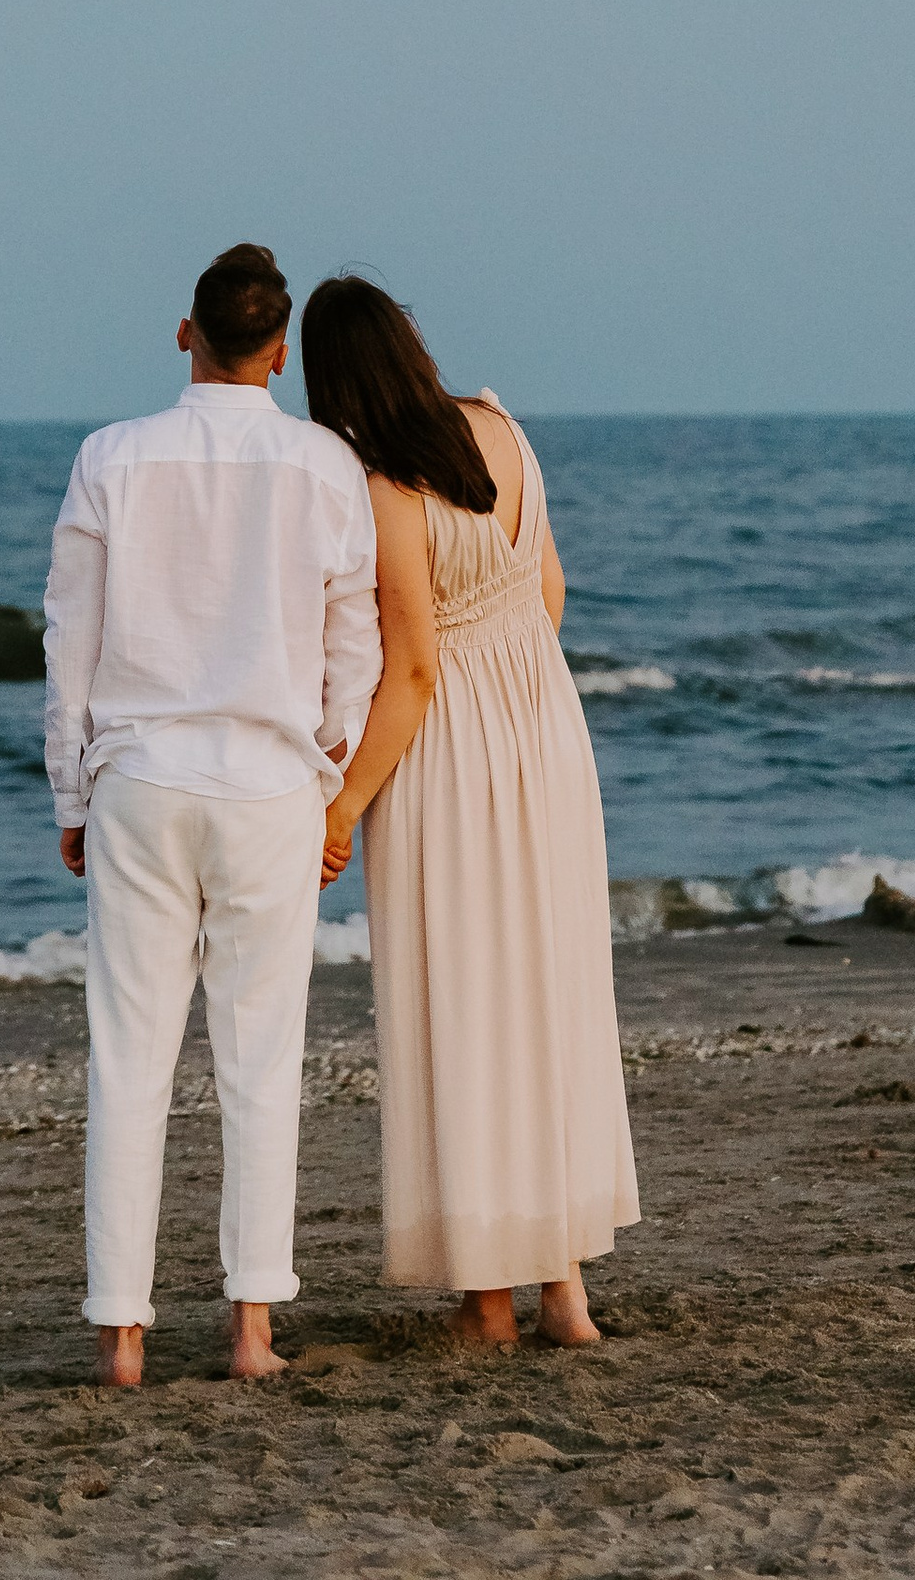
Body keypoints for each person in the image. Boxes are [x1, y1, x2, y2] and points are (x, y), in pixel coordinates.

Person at [44, 241, 380, 1386]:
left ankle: (122, 1334)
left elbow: (69, 640)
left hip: (141, 780)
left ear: (184, 333)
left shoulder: (111, 458)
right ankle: (249, 1330)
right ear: (278, 353)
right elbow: (355, 641)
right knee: (259, 1061)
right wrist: (329, 771)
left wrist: (70, 788)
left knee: (128, 1058)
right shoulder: (323, 464)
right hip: (271, 787)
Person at [299, 273, 639, 1347]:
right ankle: (565, 1295)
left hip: (452, 757)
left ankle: (489, 1304)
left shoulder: (383, 483)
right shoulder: (503, 428)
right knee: (552, 999)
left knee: (467, 1007)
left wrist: (343, 806)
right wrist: (517, 676)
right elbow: (549, 593)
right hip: (547, 733)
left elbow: (409, 673)